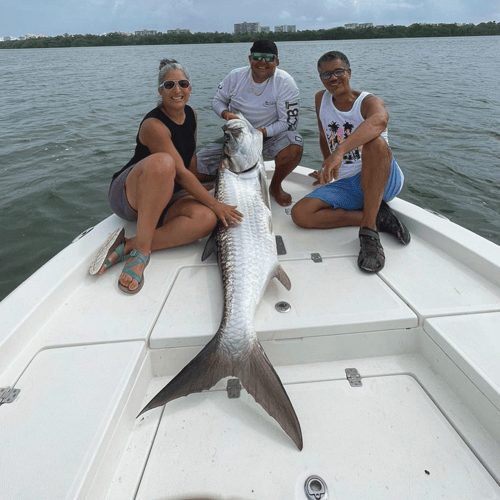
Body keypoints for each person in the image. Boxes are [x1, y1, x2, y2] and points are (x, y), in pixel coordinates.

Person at [89, 59, 242, 294]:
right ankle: (141, 254)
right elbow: (178, 171)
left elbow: (189, 161)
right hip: (130, 195)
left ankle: (130, 244)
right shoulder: (153, 124)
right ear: (160, 91)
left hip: (167, 195)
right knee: (164, 162)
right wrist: (215, 203)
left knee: (206, 219)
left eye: (183, 83)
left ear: (190, 88)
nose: (177, 90)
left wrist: (203, 192)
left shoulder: (192, 114)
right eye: (169, 85)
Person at [291, 50, 410, 273]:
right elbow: (323, 133)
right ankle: (378, 217)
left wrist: (340, 152)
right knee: (301, 214)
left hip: (382, 179)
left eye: (338, 72)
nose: (333, 78)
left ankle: (368, 230)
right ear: (320, 78)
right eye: (326, 75)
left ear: (349, 72)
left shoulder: (368, 101)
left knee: (376, 144)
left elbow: (379, 121)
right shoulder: (321, 99)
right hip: (349, 183)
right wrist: (326, 165)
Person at [197, 39, 303, 207]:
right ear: (249, 59)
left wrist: (262, 132)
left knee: (294, 143)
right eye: (257, 57)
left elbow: (288, 123)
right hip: (237, 138)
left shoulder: (285, 82)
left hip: (268, 136)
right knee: (194, 169)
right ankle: (227, 175)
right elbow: (217, 102)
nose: (262, 62)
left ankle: (275, 187)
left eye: (268, 58)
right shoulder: (235, 76)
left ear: (277, 61)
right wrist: (226, 114)